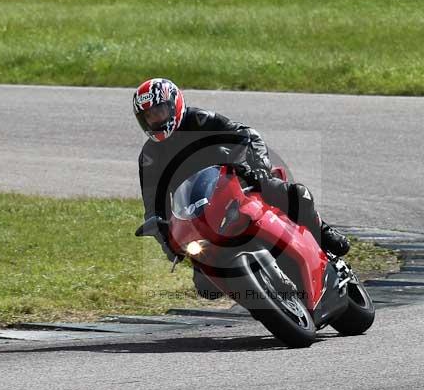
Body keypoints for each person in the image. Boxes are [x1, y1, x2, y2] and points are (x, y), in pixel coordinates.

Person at [134, 78, 350, 297]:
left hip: (235, 180)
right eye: (149, 116)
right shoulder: (149, 157)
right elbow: (154, 206)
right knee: (207, 288)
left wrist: (254, 167)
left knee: (295, 193)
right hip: (199, 212)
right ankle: (255, 290)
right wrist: (167, 240)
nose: (156, 119)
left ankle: (323, 232)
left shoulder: (200, 120)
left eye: (159, 111)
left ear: (174, 105)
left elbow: (245, 135)